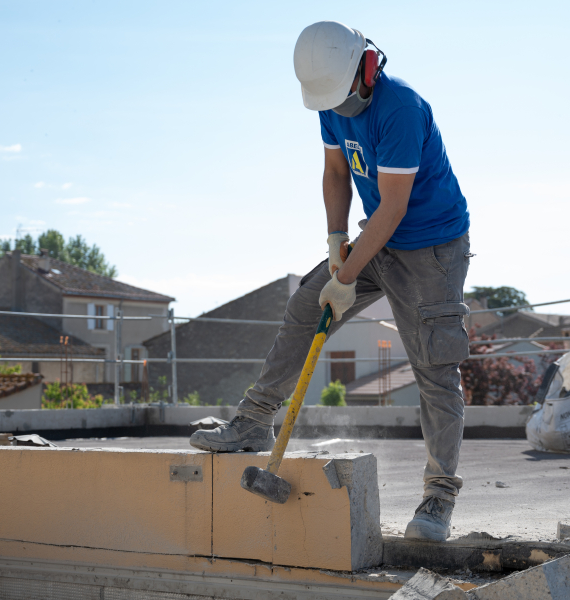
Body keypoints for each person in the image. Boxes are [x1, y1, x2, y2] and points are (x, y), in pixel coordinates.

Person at [191, 20, 472, 542]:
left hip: (431, 247)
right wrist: (335, 242)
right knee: (304, 306)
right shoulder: (330, 99)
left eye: (344, 100)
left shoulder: (402, 109)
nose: (338, 111)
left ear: (368, 68)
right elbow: (336, 174)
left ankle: (439, 496)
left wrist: (344, 276)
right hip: (376, 237)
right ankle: (253, 421)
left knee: (434, 365)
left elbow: (393, 206)